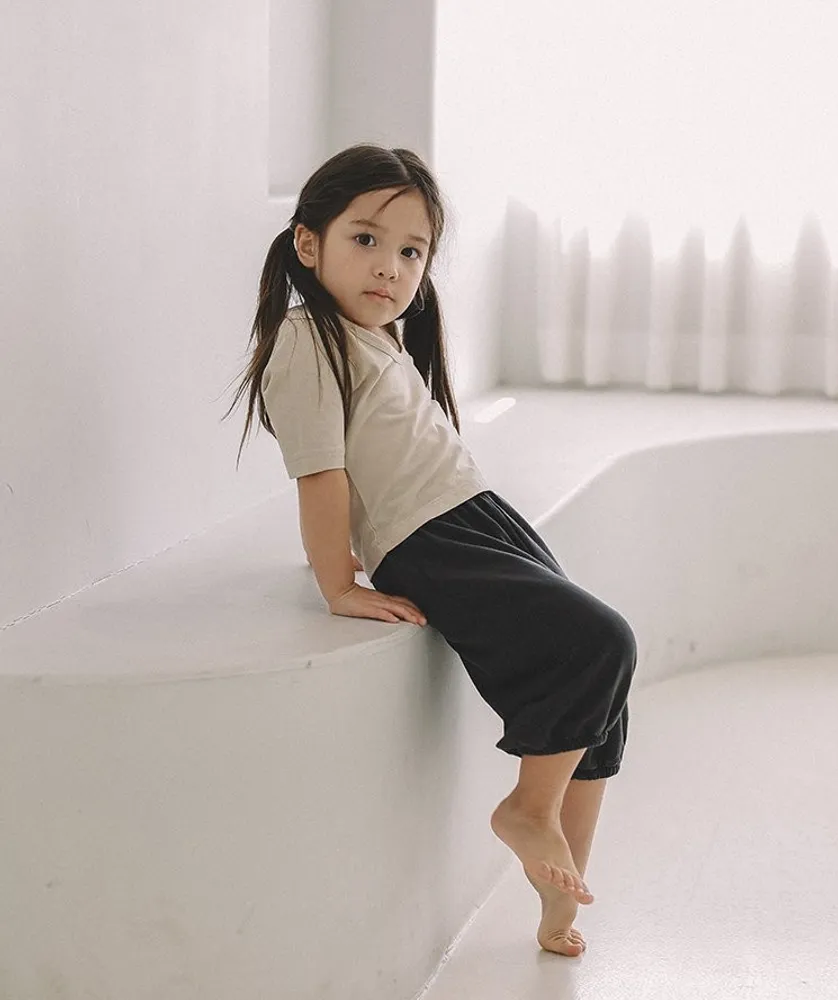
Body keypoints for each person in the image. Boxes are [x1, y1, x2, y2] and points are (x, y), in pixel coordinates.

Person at [225, 143, 637, 958]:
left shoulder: (376, 338)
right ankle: (527, 810)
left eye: (413, 251)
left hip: (478, 519)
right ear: (308, 242)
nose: (391, 266)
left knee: (603, 699)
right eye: (366, 240)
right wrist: (338, 582)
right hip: (431, 538)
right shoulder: (308, 339)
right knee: (603, 640)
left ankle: (561, 897)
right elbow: (321, 472)